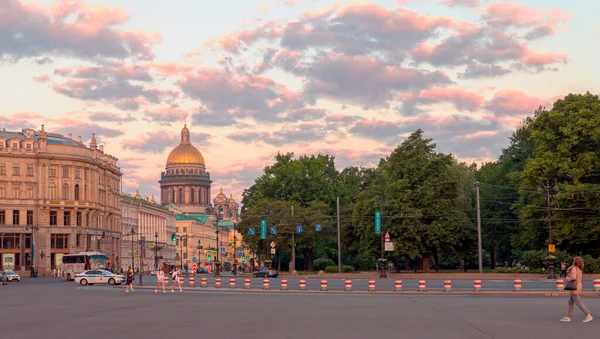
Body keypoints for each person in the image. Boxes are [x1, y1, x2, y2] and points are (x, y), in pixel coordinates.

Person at [561, 257, 593, 323]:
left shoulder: (574, 269)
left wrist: (568, 278)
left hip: (574, 287)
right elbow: (569, 271)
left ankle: (588, 315)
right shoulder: (578, 268)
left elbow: (573, 277)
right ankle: (568, 317)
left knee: (578, 302)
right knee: (570, 302)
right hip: (577, 286)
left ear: (575, 262)